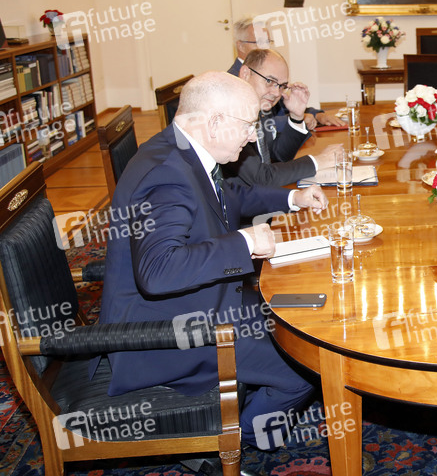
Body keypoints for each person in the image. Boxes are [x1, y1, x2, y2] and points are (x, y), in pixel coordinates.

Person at [95, 72, 330, 463]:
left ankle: (241, 410)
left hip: (201, 303)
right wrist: (245, 242)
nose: (253, 137)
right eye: (248, 125)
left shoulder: (181, 149)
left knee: (301, 310)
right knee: (305, 364)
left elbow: (230, 195)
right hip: (165, 333)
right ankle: (236, 440)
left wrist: (292, 199)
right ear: (215, 121)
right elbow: (158, 271)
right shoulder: (165, 176)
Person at [225, 48, 342, 186]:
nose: (276, 93)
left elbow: (278, 157)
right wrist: (319, 161)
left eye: (282, 86)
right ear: (245, 73)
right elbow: (262, 178)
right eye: (269, 81)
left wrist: (296, 117)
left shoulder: (260, 107)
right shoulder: (228, 114)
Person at [228, 17, 343, 129]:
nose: (266, 47)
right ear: (241, 46)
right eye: (260, 42)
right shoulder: (232, 81)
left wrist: (317, 115)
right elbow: (257, 123)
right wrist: (297, 119)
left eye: (268, 42)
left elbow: (283, 106)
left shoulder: (268, 72)